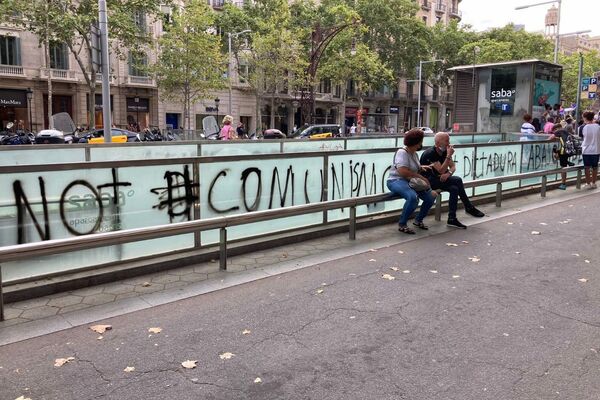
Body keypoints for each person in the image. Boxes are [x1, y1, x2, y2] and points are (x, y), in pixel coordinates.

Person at [420, 132, 485, 229]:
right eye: (446, 141)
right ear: (438, 143)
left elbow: (453, 166)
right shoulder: (431, 153)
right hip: (428, 181)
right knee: (457, 180)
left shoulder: (445, 152)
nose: (448, 143)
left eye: (448, 140)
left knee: (454, 189)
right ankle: (469, 207)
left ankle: (452, 218)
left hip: (441, 179)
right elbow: (441, 170)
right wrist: (449, 155)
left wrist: (449, 173)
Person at [387, 129, 437, 234]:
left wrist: (422, 167)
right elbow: (403, 171)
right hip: (396, 180)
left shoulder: (414, 154)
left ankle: (418, 220)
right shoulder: (402, 152)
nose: (421, 144)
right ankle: (402, 224)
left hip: (410, 181)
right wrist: (421, 177)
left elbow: (412, 168)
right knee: (412, 197)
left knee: (431, 197)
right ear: (417, 142)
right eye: (421, 141)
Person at [581, 111, 600, 189]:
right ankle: (594, 183)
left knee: (587, 167)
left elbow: (583, 137)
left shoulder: (584, 127)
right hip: (596, 150)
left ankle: (588, 183)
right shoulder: (598, 127)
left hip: (586, 150)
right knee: (595, 167)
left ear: (585, 118)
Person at [551, 123, 572, 190]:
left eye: (554, 131)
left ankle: (563, 184)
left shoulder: (559, 131)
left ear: (556, 129)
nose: (554, 132)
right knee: (556, 153)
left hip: (564, 151)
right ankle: (567, 161)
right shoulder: (566, 131)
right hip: (568, 151)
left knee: (563, 168)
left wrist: (554, 136)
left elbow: (549, 138)